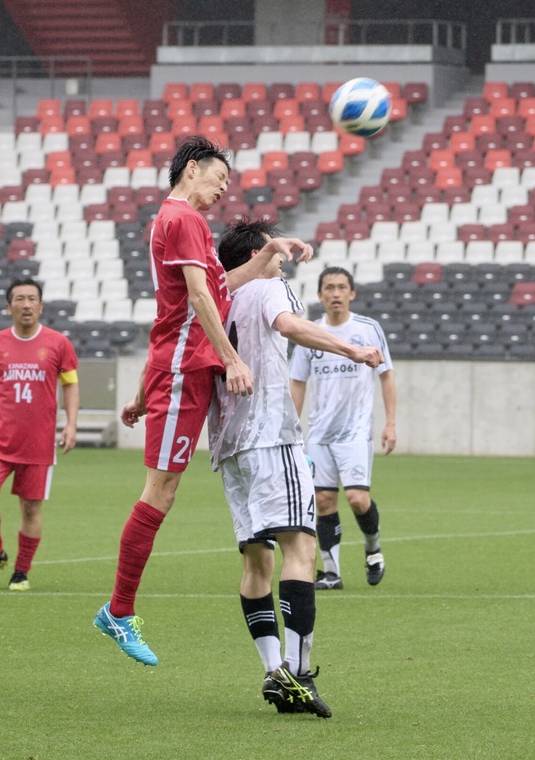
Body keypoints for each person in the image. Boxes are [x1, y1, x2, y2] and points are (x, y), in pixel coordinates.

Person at [93, 136, 313, 667]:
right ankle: (118, 611)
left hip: (178, 370)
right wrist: (231, 359)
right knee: (160, 491)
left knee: (164, 491)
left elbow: (211, 292)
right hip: (184, 371)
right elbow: (195, 300)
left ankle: (119, 610)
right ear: (192, 169)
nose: (223, 190)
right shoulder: (185, 218)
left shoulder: (174, 219)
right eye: (220, 178)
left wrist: (267, 252)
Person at [212, 219, 383, 717]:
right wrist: (351, 349)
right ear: (258, 256)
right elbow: (288, 326)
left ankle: (274, 671)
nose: (283, 261)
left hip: (228, 444)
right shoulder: (269, 286)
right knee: (301, 547)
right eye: (275, 251)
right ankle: (299, 672)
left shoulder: (215, 298)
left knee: (255, 559)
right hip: (271, 434)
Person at [0, 278, 79, 592]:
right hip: (0, 439)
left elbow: (70, 384)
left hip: (39, 444)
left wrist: (71, 424)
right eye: (19, 299)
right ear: (9, 307)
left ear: (41, 306)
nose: (26, 304)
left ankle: (21, 571)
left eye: (32, 299)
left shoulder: (58, 344)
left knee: (31, 508)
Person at [289, 266, 396, 590]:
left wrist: (390, 422)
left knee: (357, 498)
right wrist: (291, 429)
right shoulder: (310, 333)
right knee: (323, 500)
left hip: (355, 431)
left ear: (352, 293)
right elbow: (297, 381)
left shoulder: (368, 329)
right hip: (319, 433)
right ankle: (332, 573)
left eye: (341, 287)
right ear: (320, 295)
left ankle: (373, 548)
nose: (335, 293)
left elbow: (386, 375)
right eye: (329, 287)